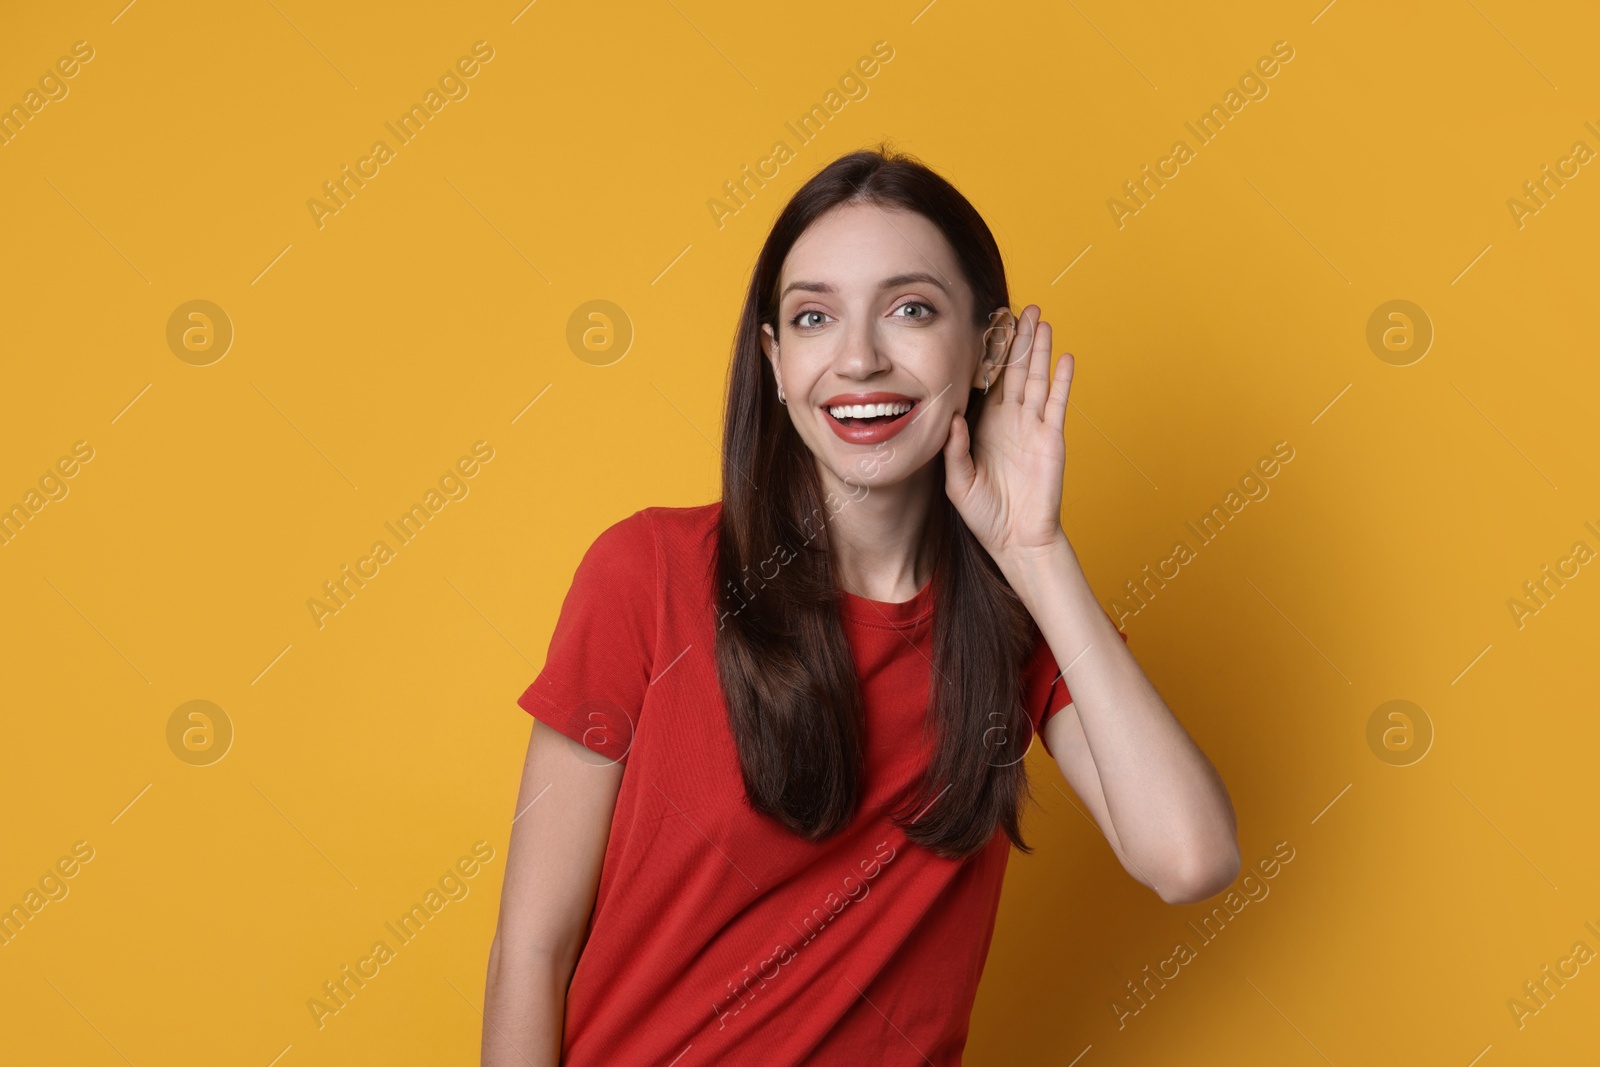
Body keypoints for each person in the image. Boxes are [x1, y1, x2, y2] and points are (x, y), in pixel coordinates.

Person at [481, 144, 1238, 1066]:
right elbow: (532, 947)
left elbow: (1190, 858)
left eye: (910, 309)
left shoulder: (1019, 621)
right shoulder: (646, 572)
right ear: (775, 357)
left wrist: (1035, 553)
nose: (860, 359)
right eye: (813, 318)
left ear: (990, 347)